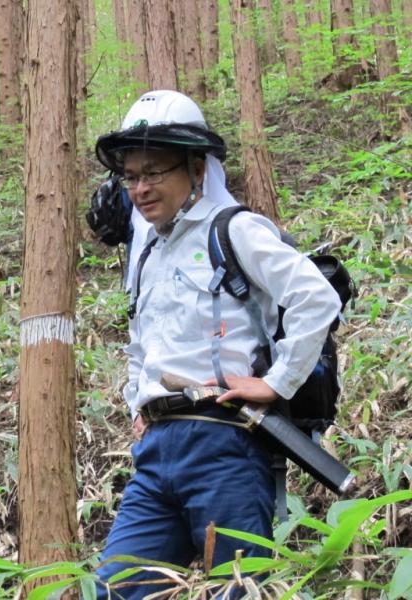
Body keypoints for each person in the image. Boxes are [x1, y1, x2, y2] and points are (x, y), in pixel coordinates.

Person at [93, 90, 342, 597]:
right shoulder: (149, 253)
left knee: (238, 587)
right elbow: (142, 345)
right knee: (116, 585)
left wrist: (276, 383)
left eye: (155, 171)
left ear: (197, 168)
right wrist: (137, 403)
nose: (140, 188)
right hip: (156, 449)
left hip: (224, 441)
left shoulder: (234, 230)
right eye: (132, 175)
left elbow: (315, 297)